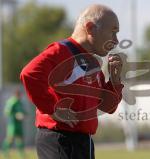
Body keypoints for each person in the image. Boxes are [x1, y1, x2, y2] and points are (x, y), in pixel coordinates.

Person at [20, 4, 123, 159]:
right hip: (60, 139)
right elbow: (30, 73)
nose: (116, 40)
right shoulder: (61, 51)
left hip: (83, 142)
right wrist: (52, 109)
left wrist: (114, 81)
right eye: (113, 32)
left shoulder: (93, 63)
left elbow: (107, 106)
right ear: (90, 28)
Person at [2, 88, 26, 159]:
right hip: (12, 124)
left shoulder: (20, 102)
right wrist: (16, 115)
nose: (20, 96)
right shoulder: (12, 102)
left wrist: (24, 115)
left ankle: (21, 155)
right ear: (16, 94)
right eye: (19, 95)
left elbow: (23, 111)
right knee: (10, 139)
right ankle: (5, 153)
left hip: (19, 124)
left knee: (20, 139)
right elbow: (7, 112)